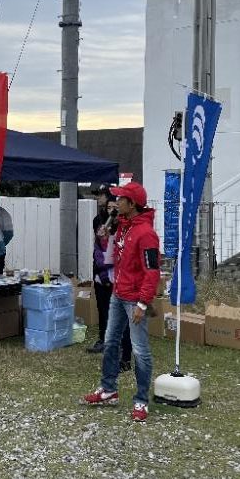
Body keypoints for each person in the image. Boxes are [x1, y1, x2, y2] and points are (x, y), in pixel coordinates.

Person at [82, 181, 160, 422]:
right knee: (110, 342)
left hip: (134, 299)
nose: (116, 202)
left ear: (132, 203)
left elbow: (152, 271)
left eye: (121, 199)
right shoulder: (125, 226)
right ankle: (108, 390)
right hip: (118, 294)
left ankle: (141, 401)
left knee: (140, 351)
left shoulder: (146, 234)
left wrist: (143, 303)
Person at [88, 186, 133, 371]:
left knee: (123, 318)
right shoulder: (100, 224)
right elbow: (99, 250)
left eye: (115, 207)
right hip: (102, 275)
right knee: (105, 310)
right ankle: (107, 344)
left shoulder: (127, 227)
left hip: (121, 279)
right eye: (109, 208)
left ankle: (126, 355)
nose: (112, 211)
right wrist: (102, 274)